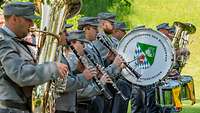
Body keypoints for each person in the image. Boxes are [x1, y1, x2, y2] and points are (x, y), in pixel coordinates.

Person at [0, 2, 68, 113]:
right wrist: (52, 68)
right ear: (14, 19)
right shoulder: (4, 42)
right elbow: (20, 74)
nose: (32, 24)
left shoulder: (16, 42)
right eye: (28, 19)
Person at [55, 30, 97, 113]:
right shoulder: (57, 55)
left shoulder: (58, 53)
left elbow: (67, 77)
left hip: (67, 107)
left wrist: (76, 71)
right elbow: (62, 84)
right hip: (61, 107)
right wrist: (84, 77)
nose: (67, 34)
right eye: (82, 43)